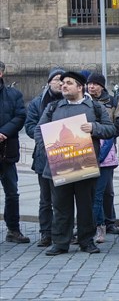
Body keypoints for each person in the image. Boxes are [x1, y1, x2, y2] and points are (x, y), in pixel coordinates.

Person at [34, 71, 116, 255]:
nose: (64, 85)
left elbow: (111, 129)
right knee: (61, 207)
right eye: (63, 83)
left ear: (80, 87)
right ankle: (60, 242)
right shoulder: (53, 107)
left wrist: (94, 128)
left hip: (84, 166)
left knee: (86, 206)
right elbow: (38, 131)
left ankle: (87, 241)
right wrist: (47, 148)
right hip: (59, 166)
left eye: (69, 83)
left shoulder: (95, 107)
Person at [24, 67, 65, 246]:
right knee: (45, 199)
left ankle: (64, 232)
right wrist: (49, 137)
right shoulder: (36, 103)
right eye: (57, 79)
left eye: (63, 80)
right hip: (44, 156)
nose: (60, 82)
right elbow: (30, 126)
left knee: (64, 199)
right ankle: (46, 233)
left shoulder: (70, 101)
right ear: (49, 82)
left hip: (67, 156)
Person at [86, 73, 119, 243]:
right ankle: (95, 224)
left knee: (107, 191)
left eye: (95, 84)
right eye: (89, 84)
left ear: (102, 86)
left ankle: (109, 222)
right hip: (87, 150)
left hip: (107, 149)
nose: (91, 87)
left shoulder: (113, 101)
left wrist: (107, 136)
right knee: (95, 192)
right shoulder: (84, 101)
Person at [0, 61, 30, 244]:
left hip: (6, 152)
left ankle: (13, 229)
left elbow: (20, 116)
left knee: (12, 192)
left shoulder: (14, 95)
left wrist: (3, 133)